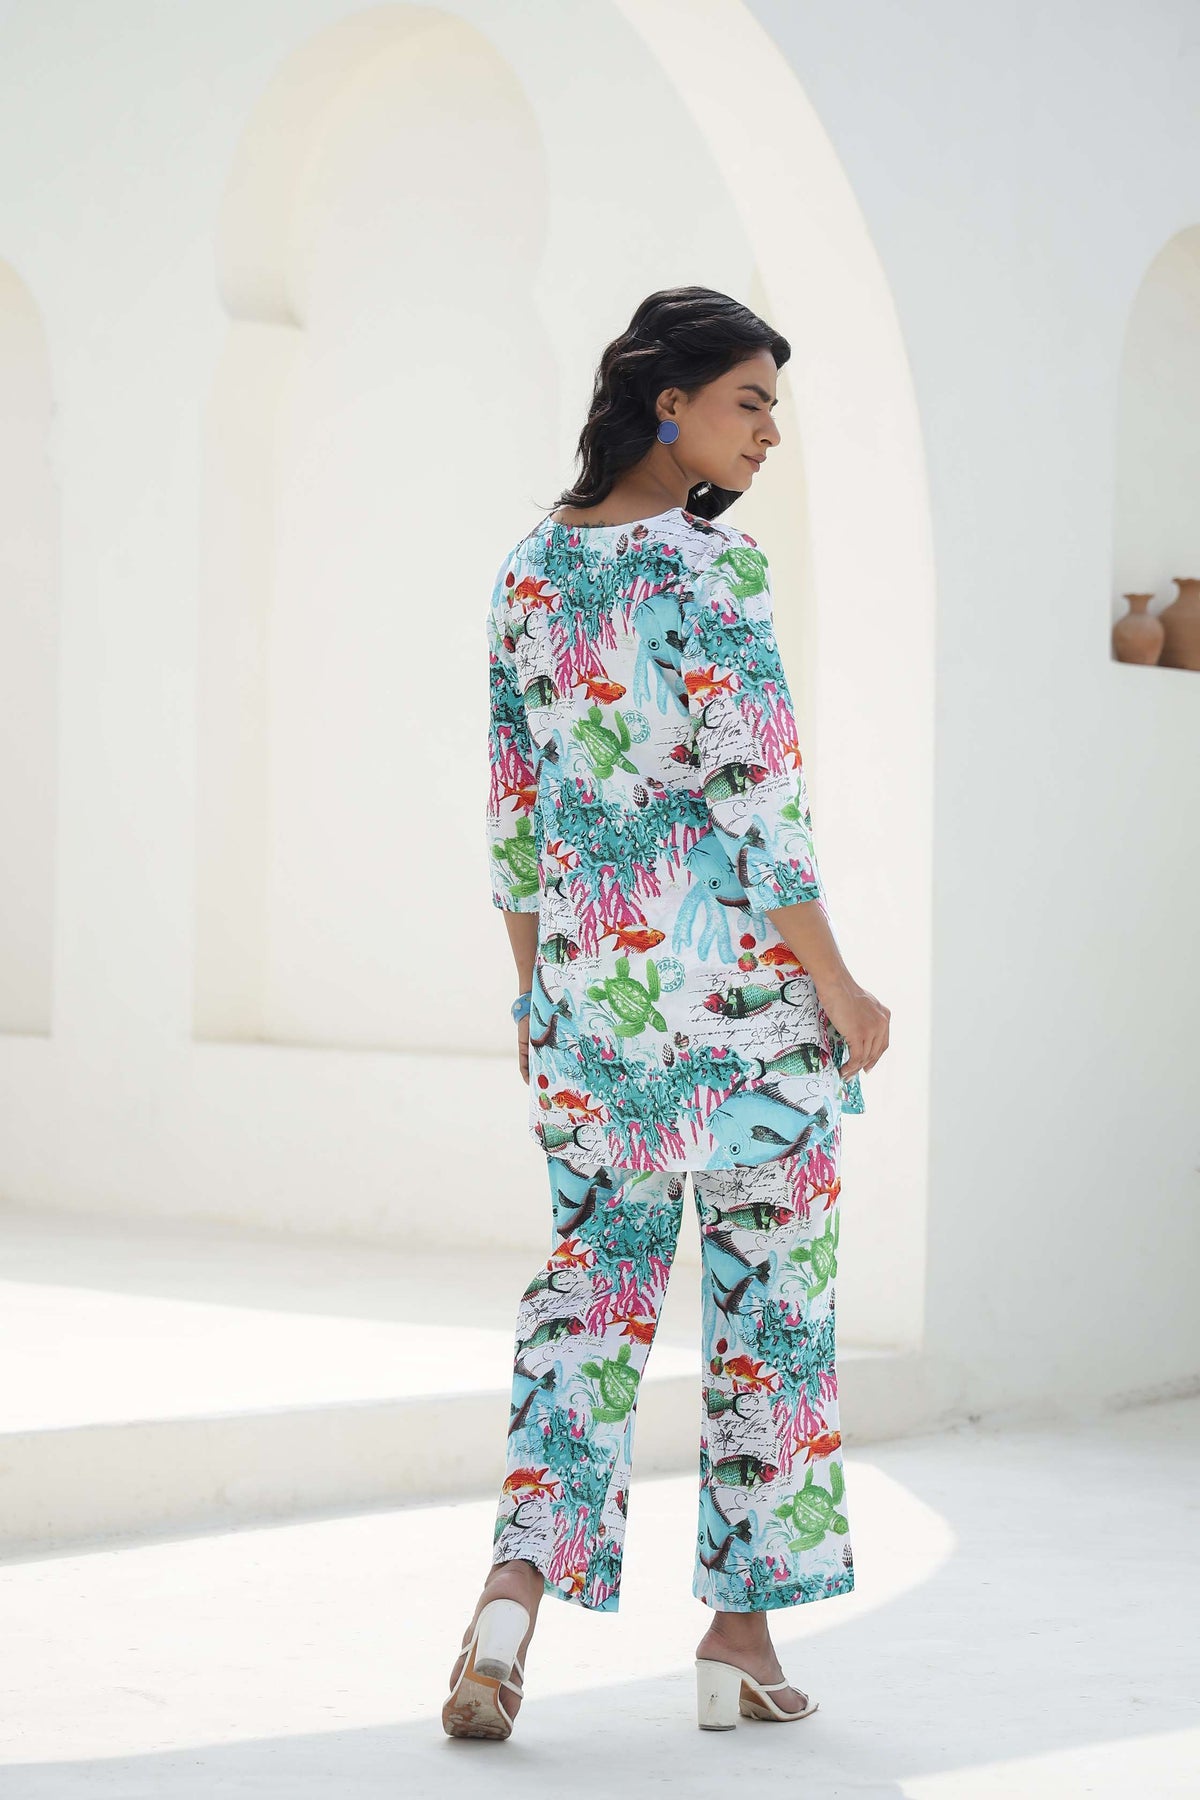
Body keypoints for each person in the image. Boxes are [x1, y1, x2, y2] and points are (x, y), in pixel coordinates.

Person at [443, 286, 890, 1740]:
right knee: (771, 1317)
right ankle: (738, 1642)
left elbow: (517, 813)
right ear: (669, 404)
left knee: (589, 1299)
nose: (769, 434)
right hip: (748, 1018)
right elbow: (761, 798)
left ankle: (509, 1600)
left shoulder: (527, 572)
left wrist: (537, 994)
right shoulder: (713, 570)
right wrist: (838, 982)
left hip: (595, 1008)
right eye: (750, 402)